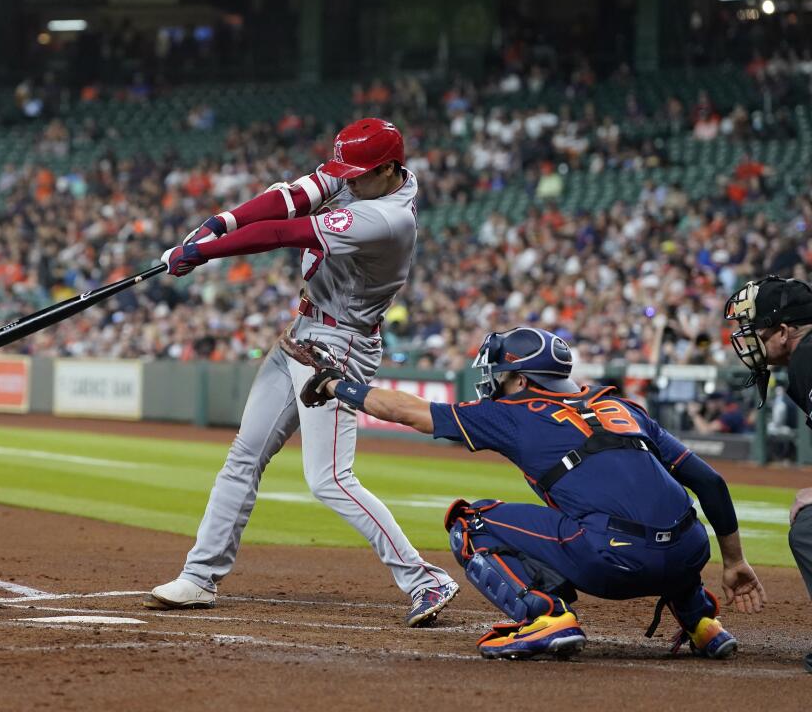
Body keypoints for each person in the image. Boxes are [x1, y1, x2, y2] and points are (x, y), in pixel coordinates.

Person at [287, 326, 765, 659]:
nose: (493, 381)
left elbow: (410, 412)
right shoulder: (620, 405)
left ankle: (546, 616)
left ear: (521, 378)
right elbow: (709, 483)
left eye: (500, 373)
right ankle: (702, 622)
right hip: (690, 554)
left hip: (614, 563)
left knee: (470, 522)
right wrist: (735, 562)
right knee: (664, 520)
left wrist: (337, 385)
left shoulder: (513, 412)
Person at [148, 118, 459, 625]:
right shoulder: (368, 173)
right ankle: (200, 578)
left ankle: (426, 578)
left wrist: (202, 253)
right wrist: (220, 223)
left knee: (330, 478)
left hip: (339, 346)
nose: (346, 181)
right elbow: (288, 200)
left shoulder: (386, 217)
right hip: (305, 329)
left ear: (388, 169)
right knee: (243, 456)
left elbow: (283, 233)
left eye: (356, 174)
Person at [724, 275, 812, 672]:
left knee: (810, 527)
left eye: (755, 329)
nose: (749, 339)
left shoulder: (808, 355)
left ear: (783, 330)